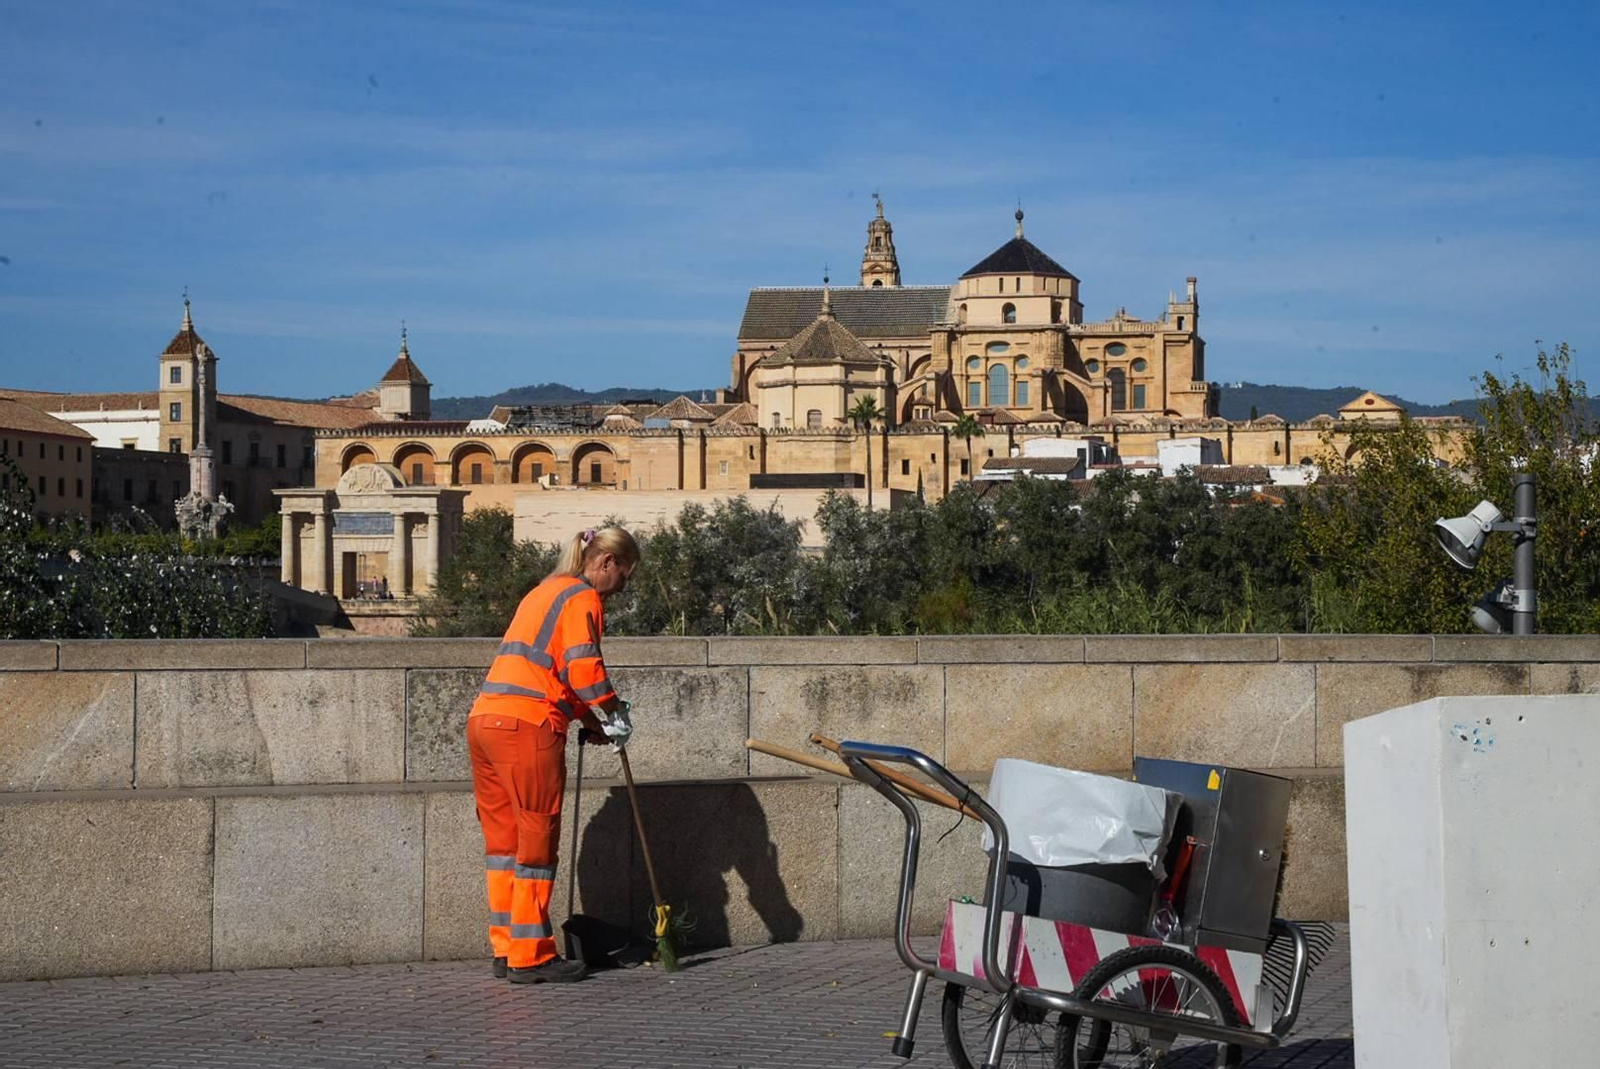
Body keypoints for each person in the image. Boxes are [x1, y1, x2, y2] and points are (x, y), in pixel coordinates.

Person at [466, 525, 640, 984]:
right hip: (528, 726)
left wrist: (586, 719)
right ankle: (531, 956)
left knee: (503, 845)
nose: (622, 588)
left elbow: (548, 666)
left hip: (485, 720)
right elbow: (582, 669)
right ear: (606, 562)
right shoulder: (583, 598)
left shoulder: (543, 591)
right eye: (624, 576)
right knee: (536, 841)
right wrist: (613, 712)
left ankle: (506, 948)